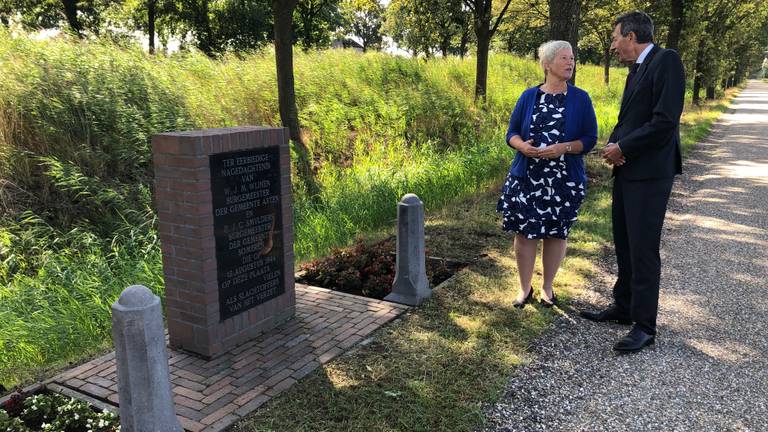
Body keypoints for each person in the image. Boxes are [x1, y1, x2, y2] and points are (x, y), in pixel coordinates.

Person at [580, 10, 685, 353]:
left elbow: (664, 122)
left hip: (652, 172)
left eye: (614, 39)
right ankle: (623, 306)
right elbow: (630, 120)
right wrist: (616, 146)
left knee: (642, 248)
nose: (612, 46)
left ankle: (644, 325)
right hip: (627, 168)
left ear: (631, 36)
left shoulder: (666, 60)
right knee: (624, 242)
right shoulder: (635, 71)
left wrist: (623, 147)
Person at [497, 40, 598, 309]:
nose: (570, 63)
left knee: (556, 233)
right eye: (564, 58)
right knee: (525, 234)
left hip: (563, 179)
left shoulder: (581, 98)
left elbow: (590, 139)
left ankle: (548, 288)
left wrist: (563, 148)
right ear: (547, 64)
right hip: (527, 177)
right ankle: (523, 288)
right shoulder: (528, 96)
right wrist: (523, 147)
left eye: (572, 59)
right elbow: (511, 133)